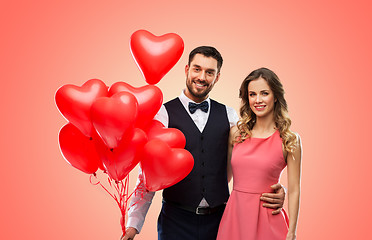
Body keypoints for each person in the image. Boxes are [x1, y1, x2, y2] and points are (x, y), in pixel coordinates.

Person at [121, 47, 286, 240]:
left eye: (209, 72)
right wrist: (133, 225)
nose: (202, 77)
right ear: (186, 70)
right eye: (197, 69)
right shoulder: (162, 114)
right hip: (175, 222)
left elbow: (255, 159)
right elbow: (148, 175)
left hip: (221, 221)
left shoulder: (230, 116)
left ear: (217, 78)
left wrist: (274, 188)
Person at [216, 67, 302, 240]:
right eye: (252, 94)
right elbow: (223, 178)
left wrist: (292, 232)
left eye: (264, 93)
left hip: (269, 220)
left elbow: (294, 190)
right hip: (235, 218)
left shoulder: (289, 140)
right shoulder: (236, 134)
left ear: (276, 96)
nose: (258, 100)